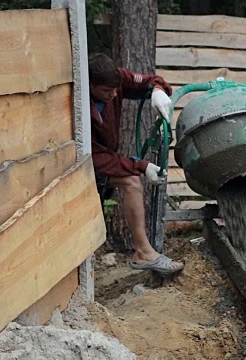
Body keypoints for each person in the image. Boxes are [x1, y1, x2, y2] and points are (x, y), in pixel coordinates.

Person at [88, 52, 183, 274]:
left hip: (103, 157)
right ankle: (143, 252)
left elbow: (150, 81)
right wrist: (140, 166)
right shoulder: (79, 107)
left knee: (130, 180)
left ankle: (142, 253)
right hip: (86, 163)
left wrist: (158, 91)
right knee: (131, 180)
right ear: (90, 85)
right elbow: (95, 157)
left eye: (115, 89)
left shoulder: (117, 80)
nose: (113, 94)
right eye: (105, 91)